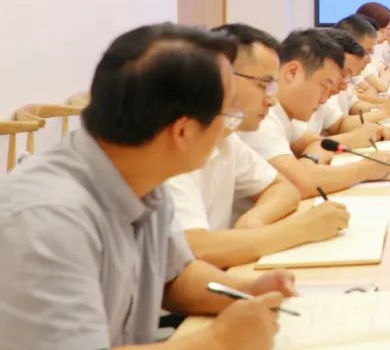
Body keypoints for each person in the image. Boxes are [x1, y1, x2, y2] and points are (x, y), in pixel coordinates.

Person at [0, 23, 294, 349]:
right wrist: (218, 341)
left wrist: (246, 291)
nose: (231, 124)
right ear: (183, 132)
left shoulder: (144, 177)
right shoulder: (48, 218)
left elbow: (175, 277)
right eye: (228, 114)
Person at [165, 24, 350, 268]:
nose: (271, 99)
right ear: (221, 77)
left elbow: (284, 188)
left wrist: (253, 221)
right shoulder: (171, 144)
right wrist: (300, 229)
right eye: (264, 84)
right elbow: (193, 249)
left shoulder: (226, 136)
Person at [236, 28, 390, 198]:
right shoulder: (259, 117)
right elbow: (299, 184)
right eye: (325, 86)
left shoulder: (284, 113)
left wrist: (309, 162)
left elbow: (318, 144)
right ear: (292, 72)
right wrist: (366, 169)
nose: (325, 98)